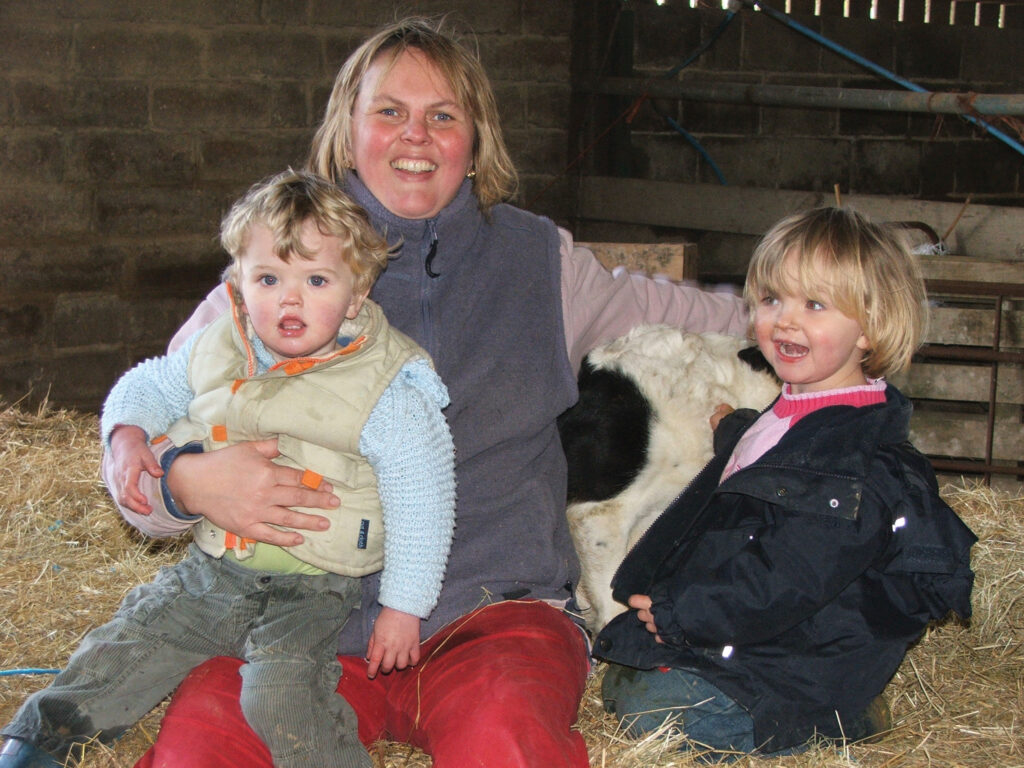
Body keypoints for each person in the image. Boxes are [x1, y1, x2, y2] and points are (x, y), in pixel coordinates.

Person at [28, 17, 749, 768]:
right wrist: (184, 482)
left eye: (443, 116)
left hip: (492, 616)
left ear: (476, 143)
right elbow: (152, 430)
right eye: (389, 112)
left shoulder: (540, 266)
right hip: (293, 621)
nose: (417, 137)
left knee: (507, 746)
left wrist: (802, 311)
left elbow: (687, 313)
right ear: (347, 131)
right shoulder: (276, 272)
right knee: (202, 752)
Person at [0, 170, 456, 768]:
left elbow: (424, 494)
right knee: (125, 645)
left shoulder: (385, 383)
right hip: (213, 571)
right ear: (237, 284)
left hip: (314, 588)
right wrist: (126, 433)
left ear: (358, 290)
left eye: (317, 280)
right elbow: (151, 381)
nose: (289, 299)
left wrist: (404, 607)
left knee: (280, 696)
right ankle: (36, 746)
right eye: (268, 278)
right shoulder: (220, 344)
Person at [596, 206, 977, 760]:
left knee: (650, 703)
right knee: (623, 677)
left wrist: (686, 613)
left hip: (801, 663)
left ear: (870, 327)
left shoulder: (853, 466)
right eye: (772, 300)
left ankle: (831, 722)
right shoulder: (807, 405)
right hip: (767, 639)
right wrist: (737, 433)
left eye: (815, 305)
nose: (785, 321)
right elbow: (782, 463)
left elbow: (791, 574)